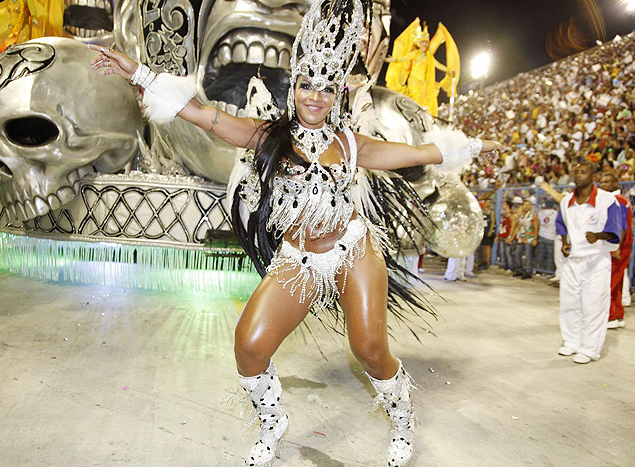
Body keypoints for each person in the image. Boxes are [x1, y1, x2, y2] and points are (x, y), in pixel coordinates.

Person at [90, 1, 500, 465]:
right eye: (308, 85)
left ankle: (402, 419)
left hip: (353, 250)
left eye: (327, 89)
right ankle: (273, 422)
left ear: (337, 94)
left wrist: (468, 146)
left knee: (368, 349)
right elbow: (203, 115)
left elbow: (416, 154)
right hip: (297, 259)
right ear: (295, 85)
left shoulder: (350, 143)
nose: (315, 97)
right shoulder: (269, 136)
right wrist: (139, 74)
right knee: (249, 345)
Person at [556, 163, 621, 364]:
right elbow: (562, 226)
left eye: (583, 172)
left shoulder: (608, 200)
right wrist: (565, 244)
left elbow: (615, 231)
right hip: (573, 261)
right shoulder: (567, 201)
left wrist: (598, 235)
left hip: (596, 260)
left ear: (594, 176)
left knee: (593, 304)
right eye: (575, 172)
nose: (578, 175)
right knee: (569, 303)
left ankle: (590, 348)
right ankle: (572, 341)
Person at [599, 172, 631, 329]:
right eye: (601, 182)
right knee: (617, 283)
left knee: (609, 283)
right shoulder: (622, 200)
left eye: (606, 182)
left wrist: (616, 247)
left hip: (618, 247)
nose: (602, 185)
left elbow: (622, 225)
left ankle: (610, 316)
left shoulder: (617, 200)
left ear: (615, 184)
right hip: (623, 247)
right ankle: (618, 314)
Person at [514, 198, 539, 279]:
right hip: (521, 237)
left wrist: (535, 238)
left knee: (528, 255)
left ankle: (528, 271)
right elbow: (518, 226)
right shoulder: (521, 215)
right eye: (525, 205)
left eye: (528, 205)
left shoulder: (532, 216)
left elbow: (536, 227)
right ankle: (519, 269)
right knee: (518, 253)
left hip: (529, 237)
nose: (526, 206)